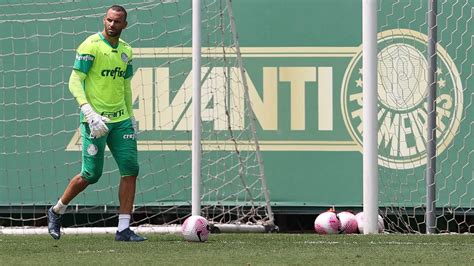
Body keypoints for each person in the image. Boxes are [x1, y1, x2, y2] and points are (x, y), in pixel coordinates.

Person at [47, 5, 146, 242]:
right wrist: (88, 111)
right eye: (109, 20)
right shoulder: (90, 45)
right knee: (91, 175)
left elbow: (124, 85)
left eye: (117, 21)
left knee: (131, 169)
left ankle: (123, 229)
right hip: (95, 120)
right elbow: (74, 81)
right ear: (104, 20)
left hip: (120, 120)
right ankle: (56, 210)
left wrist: (130, 116)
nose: (112, 25)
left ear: (125, 25)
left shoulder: (126, 51)